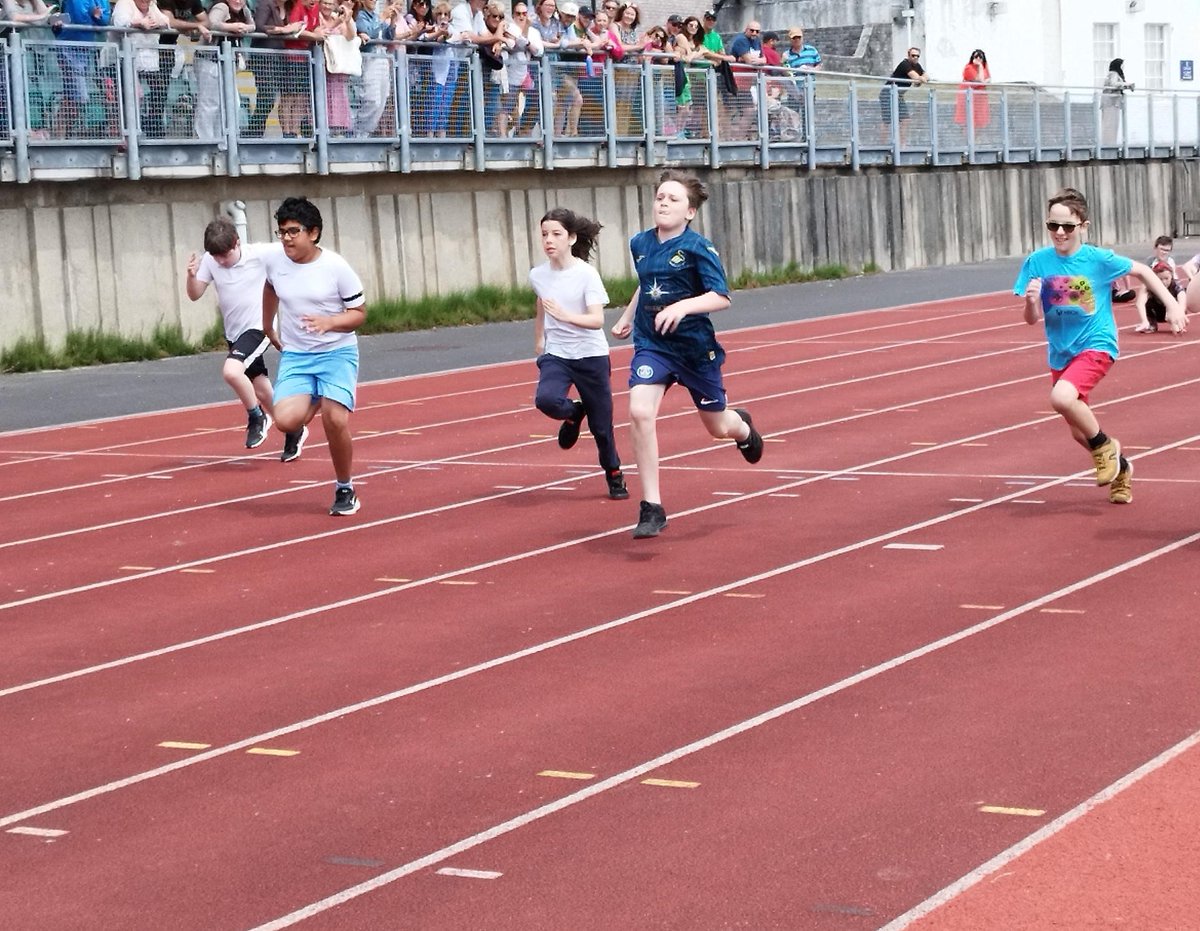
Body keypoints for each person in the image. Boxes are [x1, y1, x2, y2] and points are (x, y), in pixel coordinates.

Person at [611, 169, 764, 538]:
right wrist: (628, 316)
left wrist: (682, 307)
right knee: (639, 411)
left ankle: (742, 427)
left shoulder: (698, 248)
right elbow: (647, 283)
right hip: (653, 345)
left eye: (673, 199)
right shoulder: (640, 243)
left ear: (690, 211)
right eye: (660, 197)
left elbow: (721, 297)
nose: (663, 203)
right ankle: (652, 506)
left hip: (694, 350)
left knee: (717, 427)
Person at [1013, 187, 1186, 506]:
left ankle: (1106, 448)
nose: (1060, 232)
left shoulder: (1097, 260)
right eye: (1053, 225)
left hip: (1096, 344)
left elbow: (1143, 271)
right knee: (1079, 432)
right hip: (1061, 352)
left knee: (1061, 398)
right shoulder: (1037, 262)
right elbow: (1031, 320)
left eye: (1067, 226)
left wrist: (1173, 305)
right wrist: (1031, 302)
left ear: (1083, 226)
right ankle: (1121, 468)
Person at [262, 197, 368, 515]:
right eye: (282, 232)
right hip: (297, 355)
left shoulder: (335, 267)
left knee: (335, 419)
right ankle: (319, 395)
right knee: (285, 421)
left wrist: (330, 323)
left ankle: (345, 488)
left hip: (336, 352)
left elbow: (359, 313)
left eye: (293, 231)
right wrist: (267, 326)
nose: (287, 239)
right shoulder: (276, 264)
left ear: (314, 233)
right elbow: (270, 289)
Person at [529, 207, 629, 500]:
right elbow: (542, 304)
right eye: (544, 234)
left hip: (590, 356)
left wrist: (565, 316)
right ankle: (574, 413)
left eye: (556, 234)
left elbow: (597, 320)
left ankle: (614, 473)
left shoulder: (586, 275)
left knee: (601, 427)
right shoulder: (537, 274)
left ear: (571, 238)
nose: (549, 240)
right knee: (546, 400)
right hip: (557, 353)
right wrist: (540, 338)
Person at [185, 217, 307, 455]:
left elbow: (293, 248)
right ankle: (294, 429)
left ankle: (256, 416)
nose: (222, 261)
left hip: (259, 327)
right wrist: (191, 276)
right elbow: (194, 294)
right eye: (217, 257)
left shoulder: (261, 254)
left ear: (237, 243)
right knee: (261, 389)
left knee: (232, 372)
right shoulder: (210, 260)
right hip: (234, 332)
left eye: (226, 255)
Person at [880, 46, 927, 145]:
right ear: (908, 56)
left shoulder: (917, 66)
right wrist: (921, 79)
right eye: (913, 55)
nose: (915, 57)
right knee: (887, 121)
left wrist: (922, 78)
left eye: (917, 56)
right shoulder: (905, 64)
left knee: (905, 119)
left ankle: (902, 145)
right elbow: (915, 77)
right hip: (887, 94)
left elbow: (926, 75)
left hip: (898, 95)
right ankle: (882, 145)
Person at [1133, 262, 1183, 334]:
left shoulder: (1175, 285)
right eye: (1160, 279)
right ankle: (1151, 323)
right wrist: (1144, 321)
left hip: (1171, 312)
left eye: (1166, 278)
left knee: (1177, 301)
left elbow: (1182, 298)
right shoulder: (1147, 285)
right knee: (1147, 301)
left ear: (1171, 276)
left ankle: (1176, 323)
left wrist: (1179, 315)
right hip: (1156, 311)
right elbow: (1140, 303)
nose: (1164, 282)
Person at [953, 48, 989, 132]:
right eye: (976, 57)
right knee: (968, 121)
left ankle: (975, 138)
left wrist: (984, 79)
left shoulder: (984, 68)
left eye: (980, 57)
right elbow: (981, 80)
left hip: (979, 99)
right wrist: (980, 66)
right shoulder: (968, 68)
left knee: (979, 123)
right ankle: (967, 138)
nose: (978, 59)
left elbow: (988, 79)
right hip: (968, 98)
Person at [1101, 58, 1131, 145]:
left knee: (1113, 124)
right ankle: (1108, 143)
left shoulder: (1114, 74)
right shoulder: (1113, 74)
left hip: (1113, 102)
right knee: (1110, 124)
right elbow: (1113, 84)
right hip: (1111, 102)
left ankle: (1111, 142)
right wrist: (1126, 85)